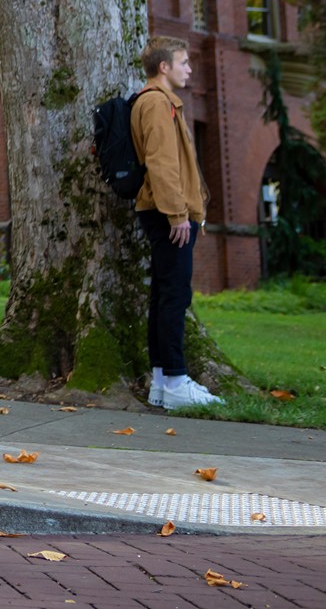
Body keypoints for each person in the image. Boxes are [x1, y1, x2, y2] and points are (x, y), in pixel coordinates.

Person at [132, 36, 219, 410]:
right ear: (164, 67)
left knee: (165, 296)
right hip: (169, 215)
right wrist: (178, 214)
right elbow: (161, 162)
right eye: (184, 62)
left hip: (168, 213)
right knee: (174, 298)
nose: (189, 69)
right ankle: (177, 381)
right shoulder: (155, 102)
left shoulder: (162, 102)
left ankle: (162, 383)